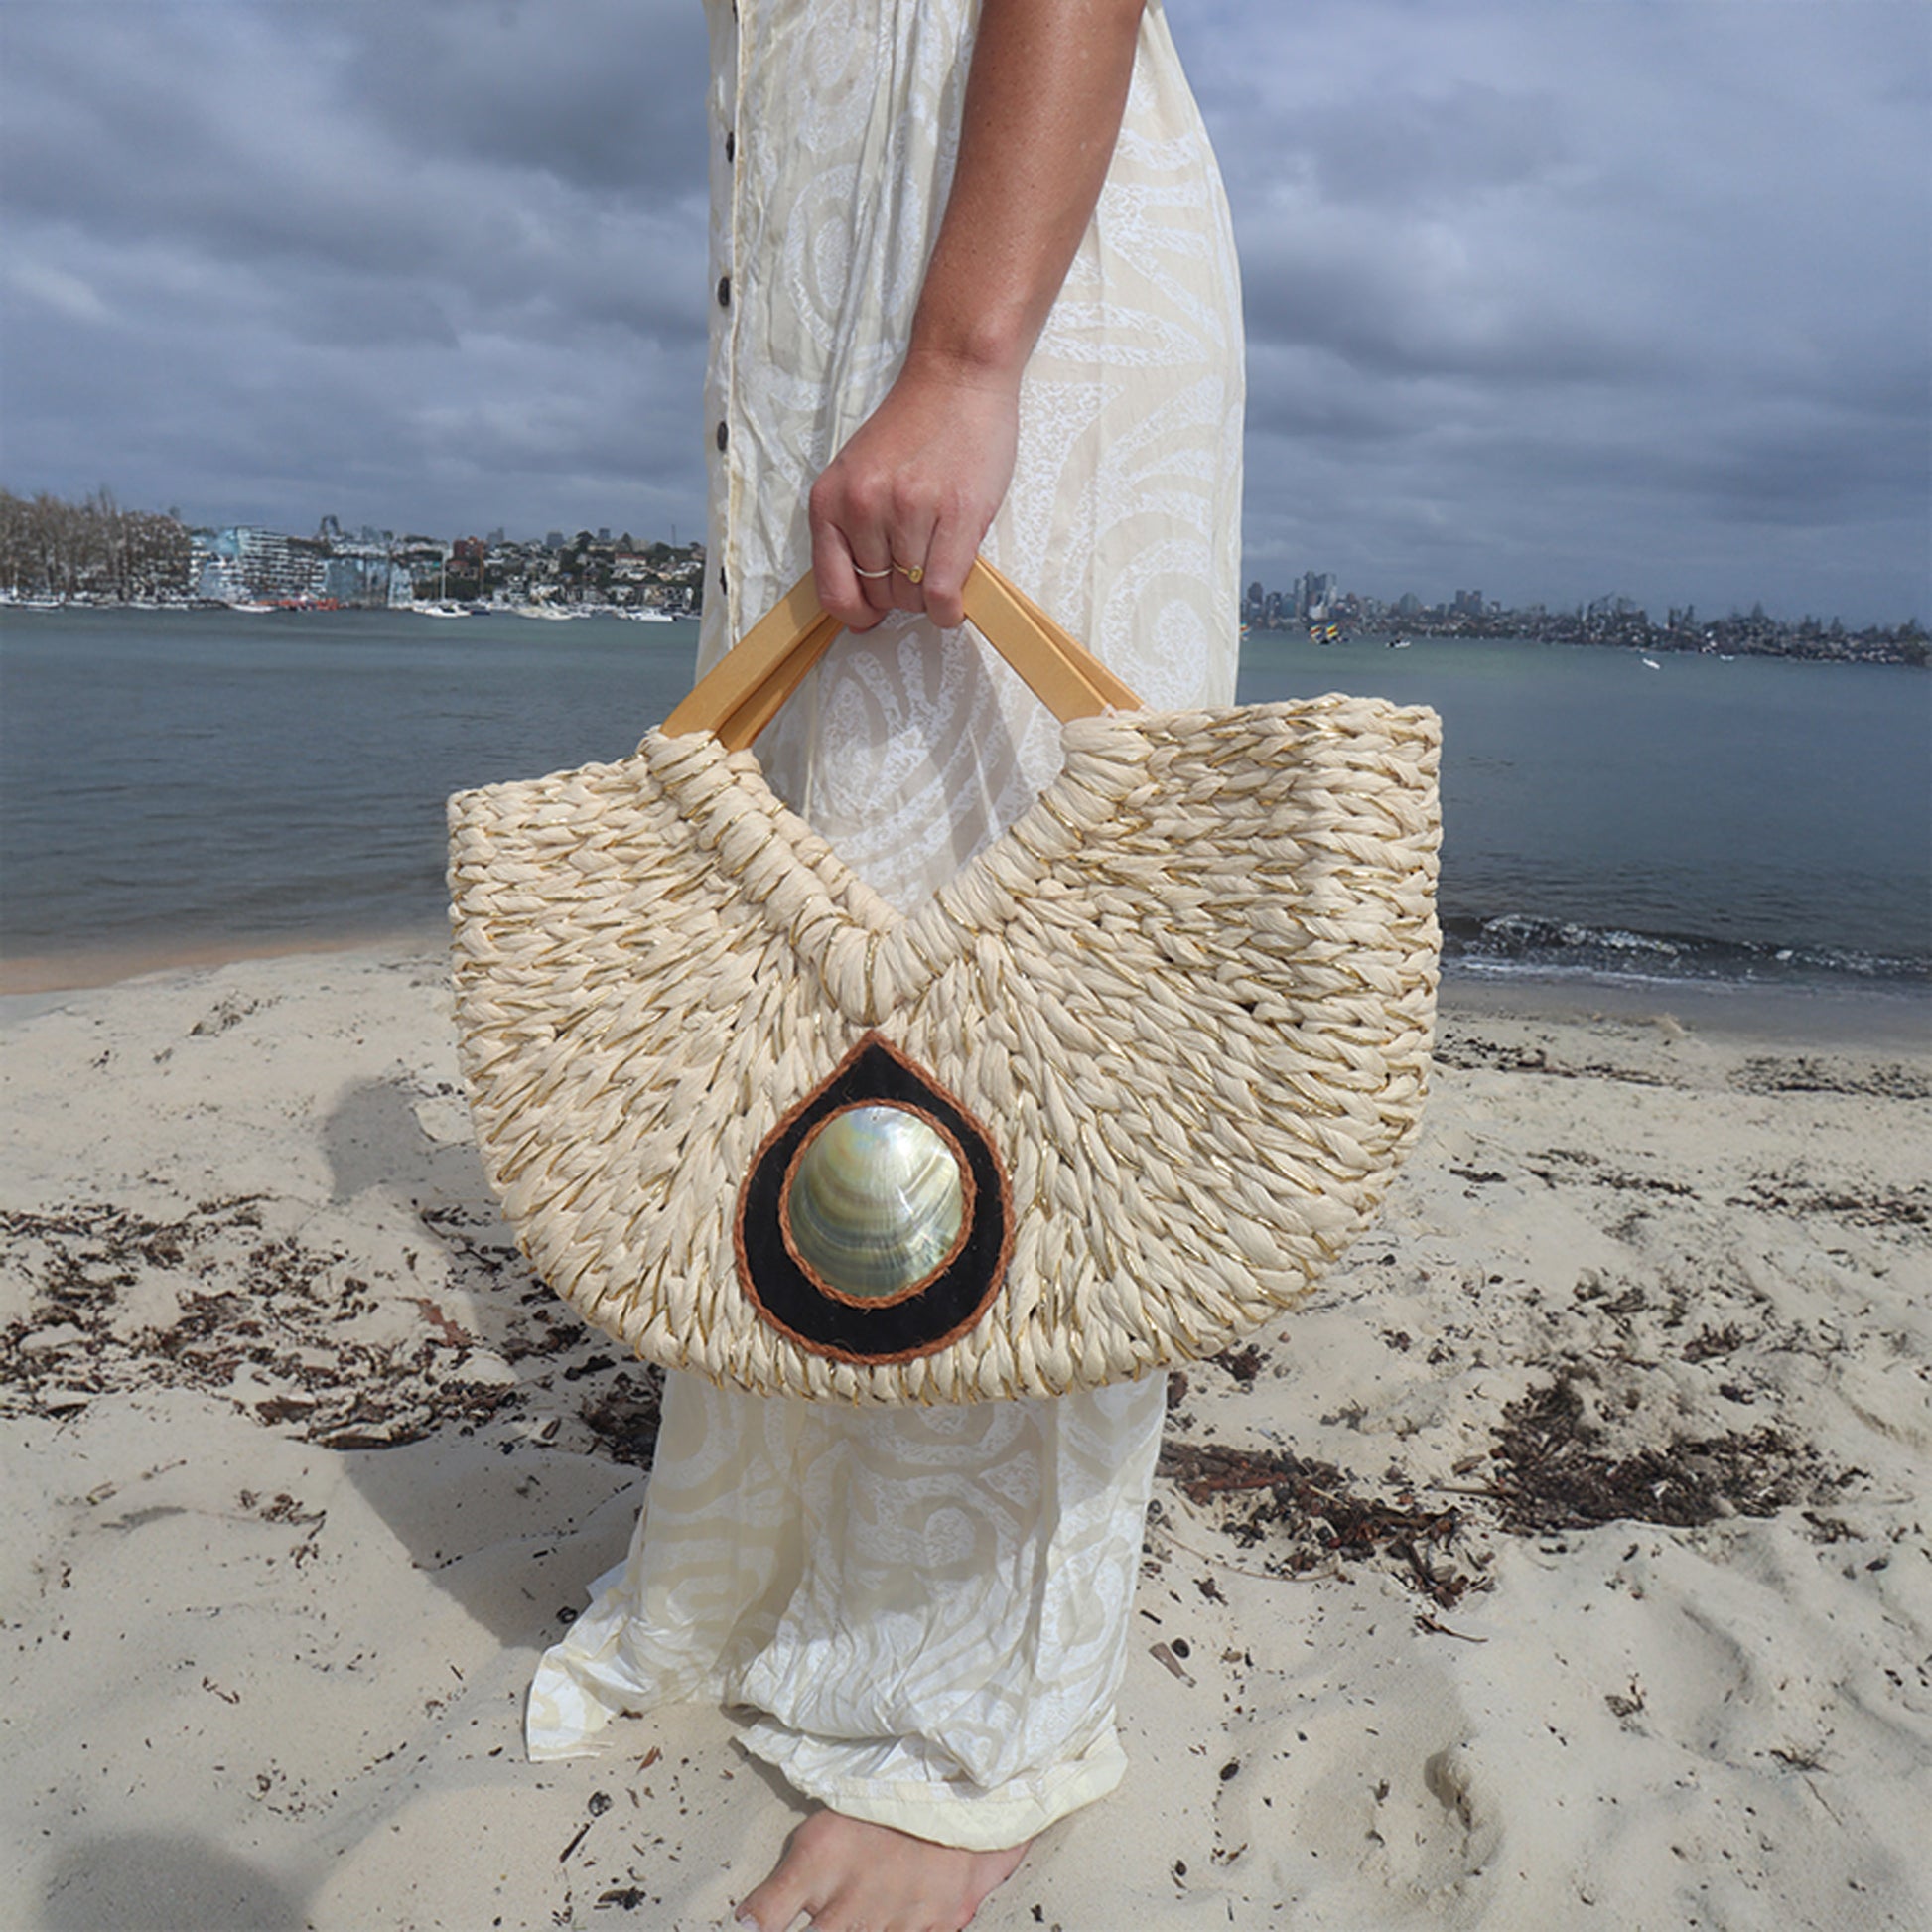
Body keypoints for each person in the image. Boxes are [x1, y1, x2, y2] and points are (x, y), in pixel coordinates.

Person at [528, 1, 1243, 1926]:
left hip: (982, 278)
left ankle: (971, 1702)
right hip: (839, 314)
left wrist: (965, 354)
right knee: (815, 1003)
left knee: (1008, 1025)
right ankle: (778, 1568)